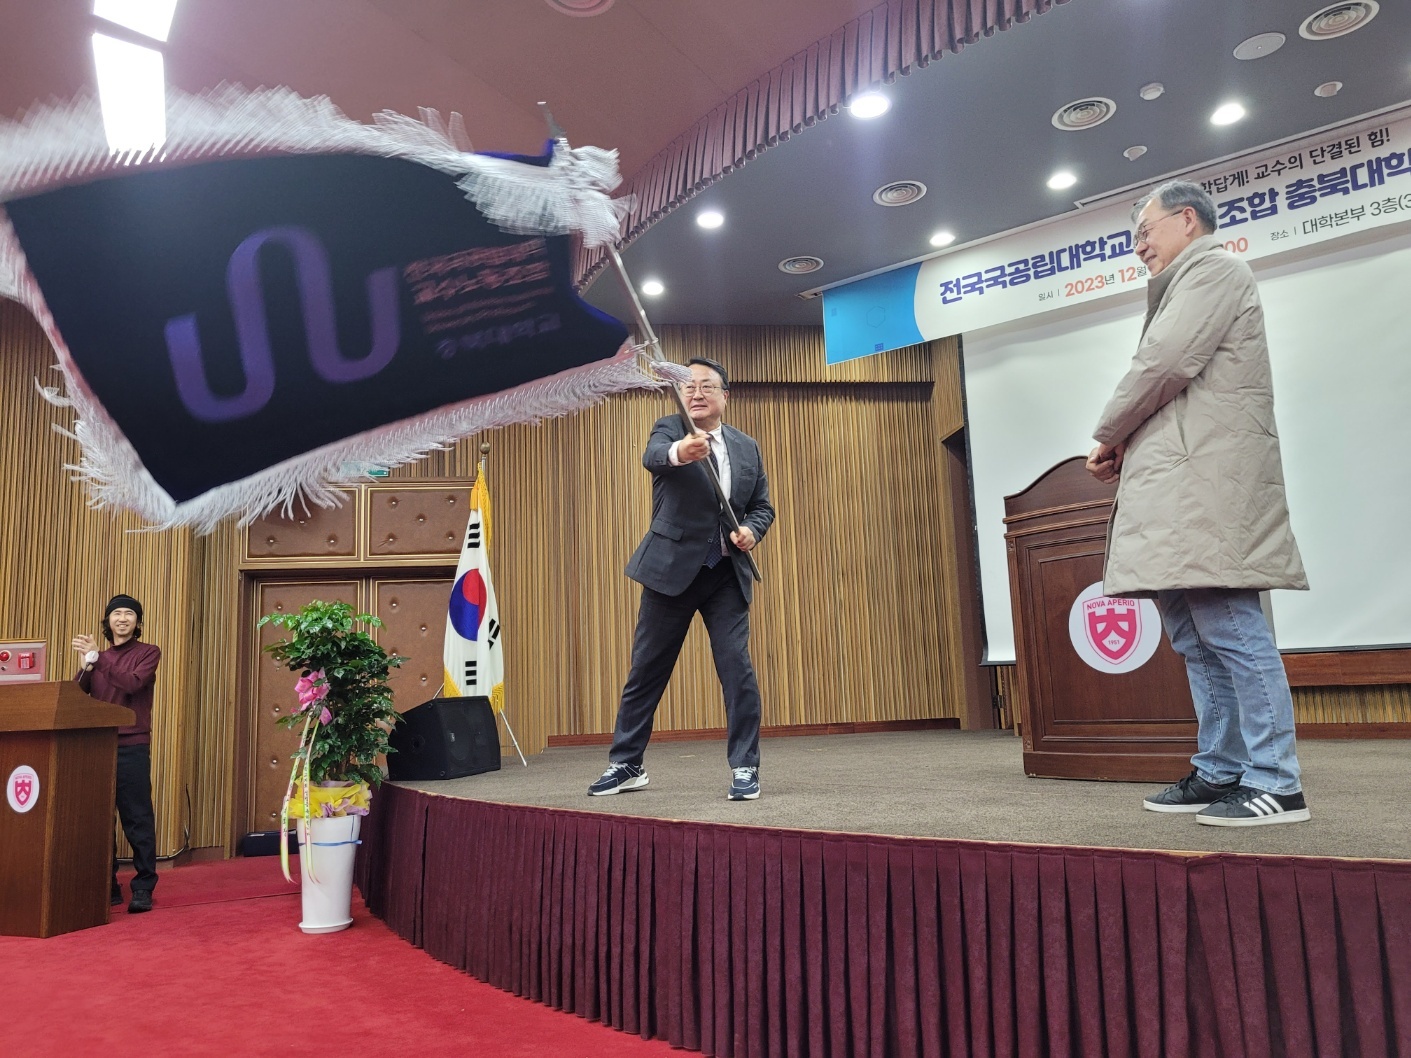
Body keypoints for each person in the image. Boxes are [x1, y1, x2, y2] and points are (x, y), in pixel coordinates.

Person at [1086, 179, 1310, 827]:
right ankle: (1222, 769)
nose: (1139, 247)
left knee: (1230, 628)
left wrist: (1108, 432)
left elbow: (1164, 363)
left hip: (1205, 489)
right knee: (1193, 635)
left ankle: (1277, 782)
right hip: (1179, 491)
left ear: (1186, 220)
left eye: (1145, 231)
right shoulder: (1186, 280)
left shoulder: (1213, 269)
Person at [589, 357, 775, 801]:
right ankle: (627, 763)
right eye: (688, 385)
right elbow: (654, 457)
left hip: (726, 573)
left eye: (706, 386)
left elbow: (762, 506)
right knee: (647, 669)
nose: (695, 392)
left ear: (724, 395)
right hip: (670, 571)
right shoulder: (670, 429)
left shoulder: (746, 446)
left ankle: (745, 767)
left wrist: (752, 530)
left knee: (737, 671)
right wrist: (681, 452)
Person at [73, 594, 163, 910]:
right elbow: (76, 697)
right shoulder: (99, 658)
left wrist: (98, 659)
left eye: (129, 614)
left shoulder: (147, 652)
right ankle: (107, 884)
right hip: (98, 746)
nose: (122, 618)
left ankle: (143, 887)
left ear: (137, 622)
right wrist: (86, 668)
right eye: (116, 614)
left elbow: (132, 684)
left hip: (131, 746)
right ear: (108, 621)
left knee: (136, 818)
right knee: (99, 819)